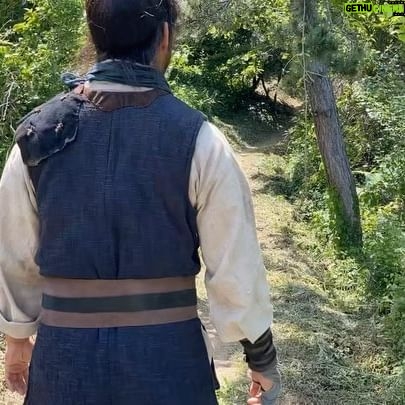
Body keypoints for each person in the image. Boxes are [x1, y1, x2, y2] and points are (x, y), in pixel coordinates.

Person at [0, 1, 281, 404]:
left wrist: (17, 337)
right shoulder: (199, 139)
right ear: (164, 36)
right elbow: (235, 264)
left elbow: (13, 252)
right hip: (169, 366)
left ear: (93, 32)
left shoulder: (38, 136)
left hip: (66, 365)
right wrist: (261, 358)